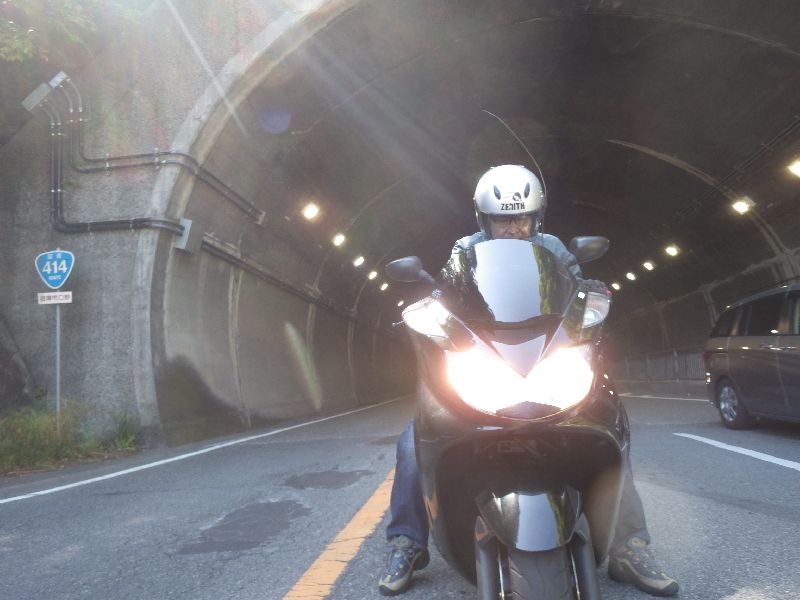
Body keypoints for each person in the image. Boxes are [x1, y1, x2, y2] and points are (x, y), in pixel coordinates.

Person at [378, 165, 679, 597]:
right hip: (487, 363)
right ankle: (406, 544)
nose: (513, 227)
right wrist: (433, 300)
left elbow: (576, 290)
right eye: (502, 219)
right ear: (484, 219)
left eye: (522, 217)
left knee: (611, 425)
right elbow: (448, 292)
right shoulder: (466, 250)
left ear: (537, 216)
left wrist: (591, 291)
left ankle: (629, 547)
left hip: (546, 362)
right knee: (413, 440)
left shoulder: (553, 249)